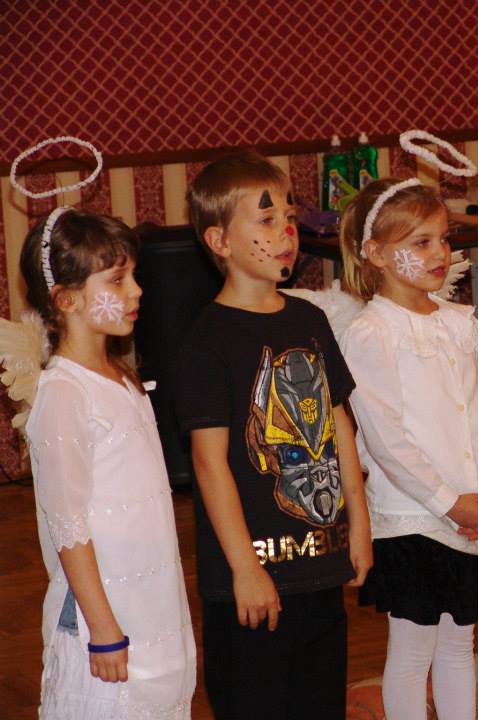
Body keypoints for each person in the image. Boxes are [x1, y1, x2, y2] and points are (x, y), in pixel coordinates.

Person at [175, 151, 372, 718]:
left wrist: (360, 523)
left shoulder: (309, 320)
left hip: (319, 564)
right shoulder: (207, 340)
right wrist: (245, 568)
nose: (286, 232)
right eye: (265, 220)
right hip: (252, 579)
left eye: (289, 216)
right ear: (219, 240)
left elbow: (339, 426)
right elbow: (210, 464)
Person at [337, 176, 478, 720]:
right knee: (413, 652)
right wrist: (446, 501)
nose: (439, 253)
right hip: (414, 518)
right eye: (421, 242)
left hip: (472, 511)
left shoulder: (461, 324)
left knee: (459, 644)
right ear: (376, 254)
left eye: (443, 238)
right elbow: (385, 439)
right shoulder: (372, 333)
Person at [20, 208, 196, 719]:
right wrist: (102, 629)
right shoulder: (65, 393)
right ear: (66, 299)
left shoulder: (121, 377)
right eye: (117, 280)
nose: (136, 290)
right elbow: (68, 525)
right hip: (103, 619)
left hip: (150, 603)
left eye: (133, 275)